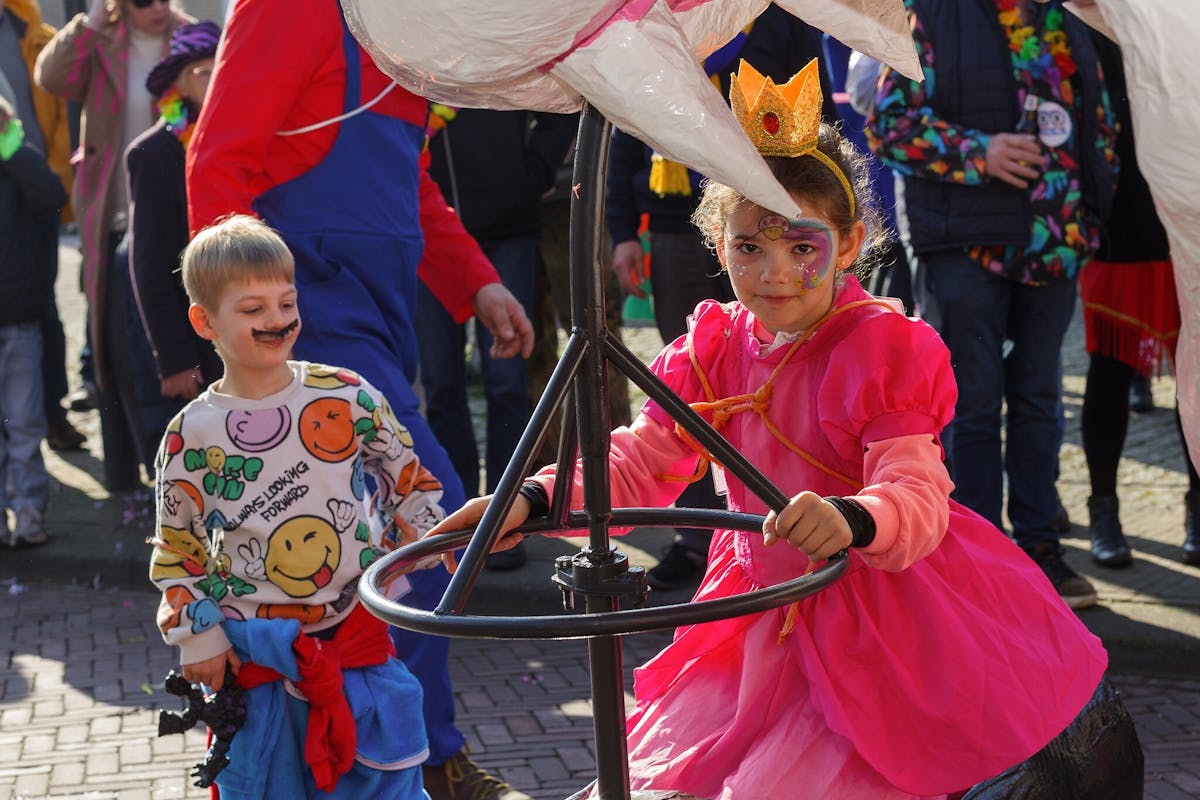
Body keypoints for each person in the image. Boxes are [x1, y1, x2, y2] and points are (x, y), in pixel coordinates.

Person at [434, 59, 1143, 800]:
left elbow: (914, 485)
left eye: (803, 248)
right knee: (669, 776)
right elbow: (642, 461)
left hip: (881, 616)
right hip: (755, 620)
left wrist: (852, 517)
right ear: (719, 244)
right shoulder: (711, 349)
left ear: (850, 242)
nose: (774, 273)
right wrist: (530, 500)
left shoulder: (879, 348)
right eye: (750, 247)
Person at [185, 2, 533, 797]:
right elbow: (218, 163)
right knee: (424, 540)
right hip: (311, 325)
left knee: (371, 564)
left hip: (374, 327)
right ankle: (419, 763)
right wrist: (251, 346)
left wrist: (476, 283)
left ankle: (375, 762)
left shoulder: (400, 28)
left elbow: (407, 187)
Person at [149, 215, 439, 799]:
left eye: (287, 302)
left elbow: (410, 479)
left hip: (358, 641)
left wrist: (414, 548)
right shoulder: (190, 435)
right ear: (205, 322)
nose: (277, 319)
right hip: (254, 662)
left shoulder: (346, 394)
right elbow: (176, 550)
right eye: (253, 308)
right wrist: (198, 637)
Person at [866, 0, 1117, 609]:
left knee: (1038, 401)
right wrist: (983, 152)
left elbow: (1100, 122)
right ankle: (975, 557)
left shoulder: (1066, 15)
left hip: (1055, 242)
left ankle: (1040, 550)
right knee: (970, 406)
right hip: (965, 246)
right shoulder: (928, 13)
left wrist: (1091, 212)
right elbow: (889, 125)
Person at [605, 5, 833, 591]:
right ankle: (696, 537)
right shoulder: (659, 21)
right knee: (691, 392)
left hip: (768, 229)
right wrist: (623, 230)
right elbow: (627, 126)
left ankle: (778, 524)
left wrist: (811, 228)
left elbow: (817, 124)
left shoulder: (779, 20)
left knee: (775, 375)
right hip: (676, 226)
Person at [35, 0, 193, 491]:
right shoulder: (101, 39)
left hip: (172, 215)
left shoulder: (189, 37)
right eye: (142, 0)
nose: (156, 7)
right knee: (115, 346)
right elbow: (51, 78)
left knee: (170, 336)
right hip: (111, 213)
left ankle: (179, 467)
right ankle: (126, 471)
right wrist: (91, 22)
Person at [421, 107, 576, 570]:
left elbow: (560, 108)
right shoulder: (413, 61)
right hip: (429, 232)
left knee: (507, 384)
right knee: (441, 385)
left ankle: (504, 521)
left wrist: (531, 175)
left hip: (507, 228)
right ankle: (456, 520)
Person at [1079, 33, 1199, 568]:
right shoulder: (1083, 26)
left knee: (1195, 378)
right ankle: (1103, 509)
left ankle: (1198, 505)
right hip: (1118, 230)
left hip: (1187, 225)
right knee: (1109, 372)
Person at [0, 0, 86, 453]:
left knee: (41, 310)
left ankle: (51, 412)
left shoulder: (34, 36)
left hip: (33, 193)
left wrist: (53, 176)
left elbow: (59, 120)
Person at [126, 20, 222, 409]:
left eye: (221, 69)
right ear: (179, 85)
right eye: (203, 73)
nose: (215, 81)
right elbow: (149, 264)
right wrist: (175, 359)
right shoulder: (152, 153)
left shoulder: (243, 135)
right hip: (193, 330)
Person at [0, 93, 66, 547]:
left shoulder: (21, 165)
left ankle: (28, 515)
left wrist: (14, 153)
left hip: (19, 319)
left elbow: (53, 197)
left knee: (24, 423)